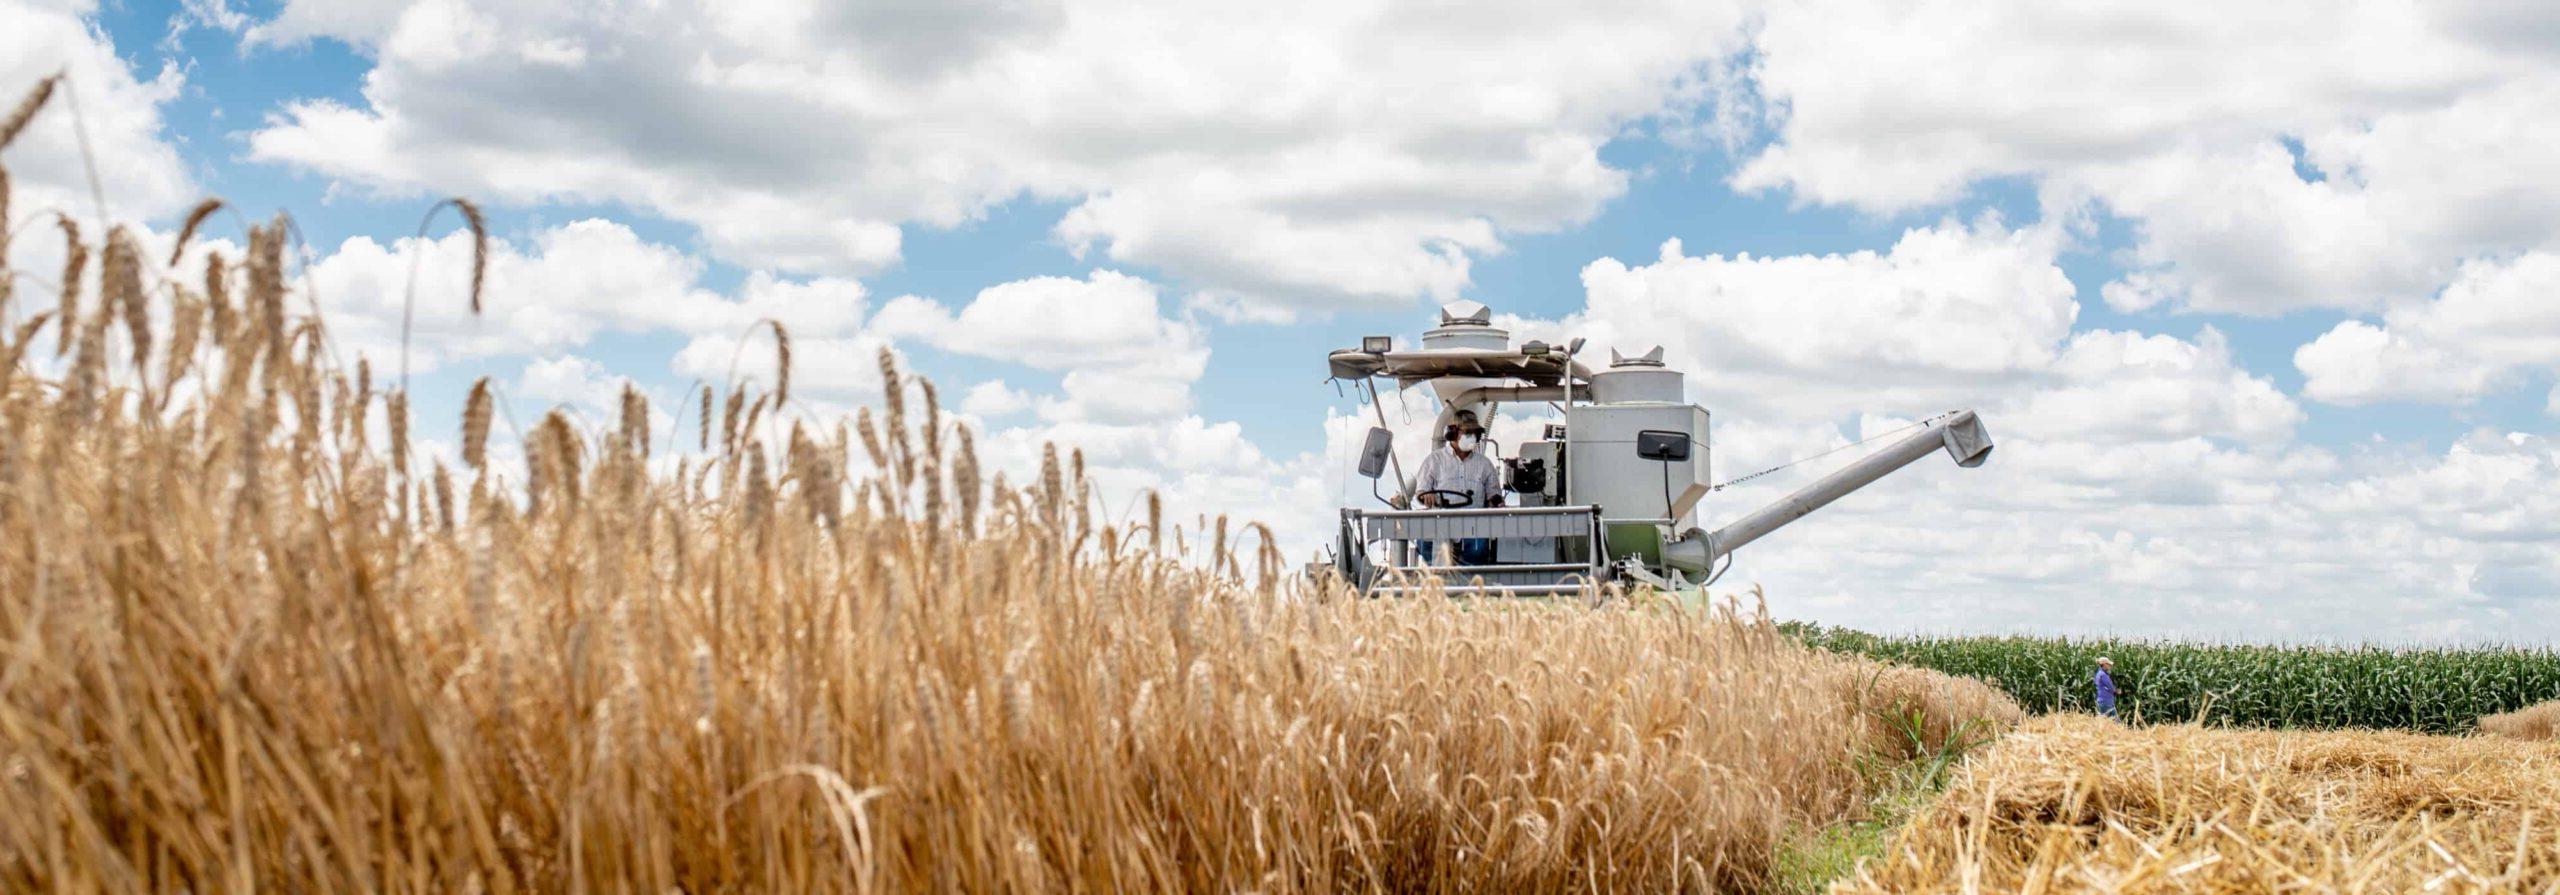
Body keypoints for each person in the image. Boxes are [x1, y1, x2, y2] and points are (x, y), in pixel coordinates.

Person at [1411, 412, 1503, 566]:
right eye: (1468, 432)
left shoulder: (1485, 464)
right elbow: (1421, 491)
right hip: (1439, 524)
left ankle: (1471, 584)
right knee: (1423, 541)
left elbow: (1495, 496)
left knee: (1478, 548)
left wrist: (1494, 501)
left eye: (1476, 433)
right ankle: (1437, 581)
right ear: (1452, 433)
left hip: (1474, 526)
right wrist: (1426, 496)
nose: (1472, 437)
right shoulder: (1434, 460)